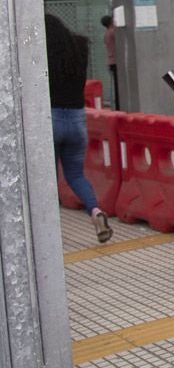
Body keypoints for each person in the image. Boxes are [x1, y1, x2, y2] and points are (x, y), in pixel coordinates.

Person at [46, 14, 112, 244]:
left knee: (48, 180)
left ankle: (49, 232)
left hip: (50, 119)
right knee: (75, 174)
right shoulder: (79, 47)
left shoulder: (42, 54)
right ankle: (95, 211)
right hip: (76, 119)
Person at [101, 14, 118, 110]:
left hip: (111, 61)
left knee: (116, 84)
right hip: (115, 61)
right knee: (118, 85)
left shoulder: (106, 34)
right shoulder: (112, 32)